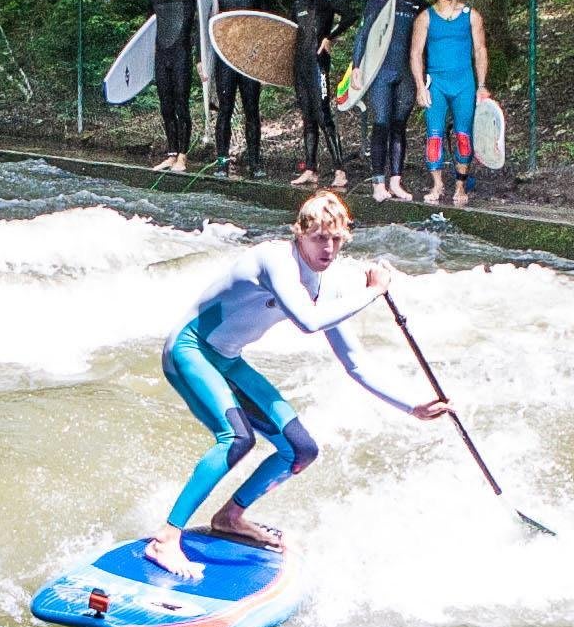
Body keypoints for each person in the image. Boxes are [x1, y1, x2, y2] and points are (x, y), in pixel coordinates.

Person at [143, 189, 449, 576]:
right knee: (236, 438)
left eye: (336, 238)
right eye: (319, 237)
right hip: (190, 350)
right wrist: (373, 292)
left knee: (300, 450)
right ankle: (166, 538)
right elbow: (308, 321)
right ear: (300, 234)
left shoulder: (326, 286)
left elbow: (355, 363)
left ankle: (230, 517)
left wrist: (412, 406)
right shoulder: (275, 261)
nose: (328, 248)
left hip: (227, 360)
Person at [338, 0, 424, 203]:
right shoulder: (378, 1)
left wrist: (424, 78)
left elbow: (425, 45)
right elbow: (363, 35)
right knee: (381, 122)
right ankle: (378, 183)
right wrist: (357, 66)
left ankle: (395, 181)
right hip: (381, 72)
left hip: (406, 73)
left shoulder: (421, 6)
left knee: (399, 126)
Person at [416, 0, 491, 207]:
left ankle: (460, 185)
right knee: (434, 135)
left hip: (464, 83)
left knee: (463, 135)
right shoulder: (426, 17)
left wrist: (481, 85)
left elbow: (480, 50)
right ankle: (437, 184)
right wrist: (420, 86)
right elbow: (415, 53)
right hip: (436, 83)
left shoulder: (471, 15)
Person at [202, 0, 272, 177]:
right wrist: (201, 59)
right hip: (225, 60)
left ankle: (255, 163)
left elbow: (267, 28)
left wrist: (264, 61)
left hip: (249, 61)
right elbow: (205, 27)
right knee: (225, 110)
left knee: (252, 110)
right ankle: (222, 162)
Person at [282, 0, 345, 189]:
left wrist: (330, 36)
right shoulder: (298, 1)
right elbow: (289, 33)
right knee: (307, 117)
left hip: (318, 63)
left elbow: (350, 13)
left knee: (322, 114)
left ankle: (340, 171)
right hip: (300, 65)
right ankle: (310, 169)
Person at [145, 0, 201, 172]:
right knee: (166, 106)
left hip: (181, 56)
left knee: (181, 105)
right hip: (162, 57)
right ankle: (171, 153)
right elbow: (149, 29)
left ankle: (183, 156)